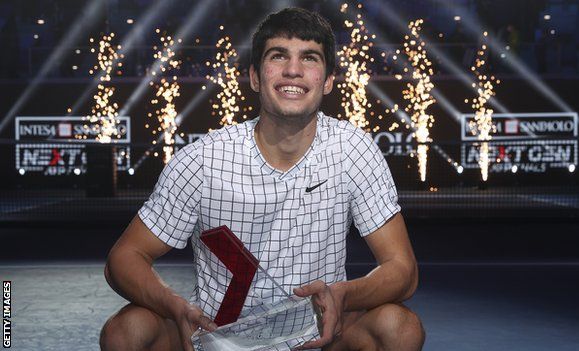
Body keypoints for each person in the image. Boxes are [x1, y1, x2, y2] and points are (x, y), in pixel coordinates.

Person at [100, 7, 424, 351]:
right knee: (127, 330)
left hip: (318, 337)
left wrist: (343, 294)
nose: (293, 70)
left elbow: (403, 270)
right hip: (215, 339)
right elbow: (124, 257)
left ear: (328, 80)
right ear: (255, 76)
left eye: (310, 58)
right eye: (278, 56)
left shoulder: (353, 149)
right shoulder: (203, 160)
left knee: (399, 327)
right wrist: (174, 306)